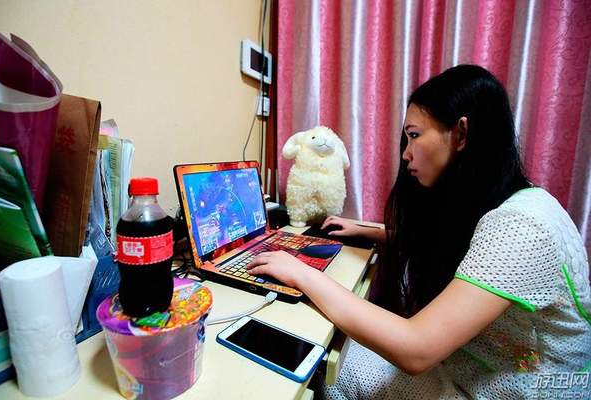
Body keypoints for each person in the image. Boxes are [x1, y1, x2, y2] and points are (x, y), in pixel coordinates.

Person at [247, 65, 591, 399]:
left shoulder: (522, 226)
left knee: (325, 360)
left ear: (461, 133)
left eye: (414, 135)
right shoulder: (507, 202)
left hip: (525, 389)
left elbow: (416, 349)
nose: (406, 154)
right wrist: (374, 232)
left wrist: (302, 273)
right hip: (480, 369)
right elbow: (465, 248)